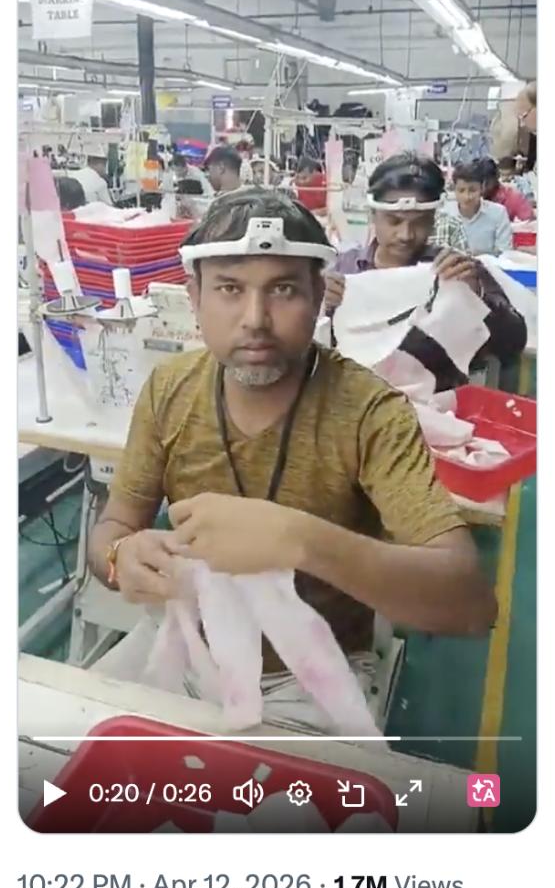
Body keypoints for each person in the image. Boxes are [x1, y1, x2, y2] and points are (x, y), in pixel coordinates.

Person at [87, 188, 496, 731]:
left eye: (282, 289)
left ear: (319, 294)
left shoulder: (370, 412)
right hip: (187, 643)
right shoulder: (169, 390)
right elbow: (113, 530)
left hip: (313, 672)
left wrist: (300, 541)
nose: (255, 319)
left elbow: (468, 603)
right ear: (194, 297)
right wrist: (121, 557)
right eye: (230, 289)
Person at [324, 153, 525, 366]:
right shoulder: (342, 269)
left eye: (419, 223)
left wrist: (477, 296)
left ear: (433, 221)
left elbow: (512, 344)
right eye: (394, 221)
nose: (406, 235)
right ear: (373, 215)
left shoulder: (458, 270)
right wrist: (319, 307)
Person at [450, 160, 513, 256]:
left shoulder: (498, 213)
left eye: (473, 190)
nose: (467, 197)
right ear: (454, 189)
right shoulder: (445, 214)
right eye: (461, 190)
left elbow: (505, 253)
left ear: (482, 188)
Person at [481, 156, 534, 223]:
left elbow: (529, 222)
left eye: (487, 183)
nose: (483, 187)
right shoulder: (473, 197)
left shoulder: (514, 196)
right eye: (479, 183)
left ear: (496, 176)